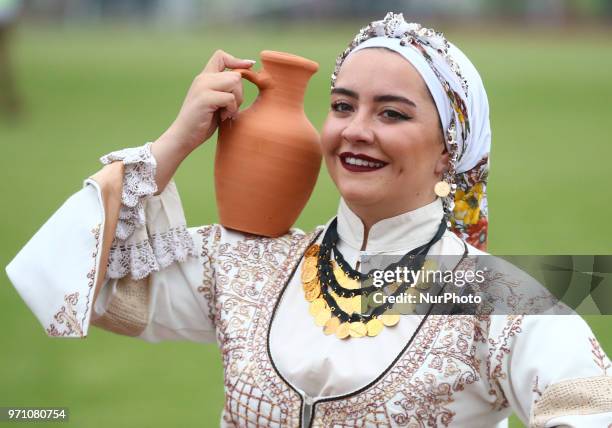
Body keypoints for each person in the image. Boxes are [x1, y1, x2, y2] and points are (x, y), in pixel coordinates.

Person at [6, 13, 611, 428]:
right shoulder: (251, 264)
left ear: (451, 148)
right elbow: (74, 284)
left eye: (392, 114)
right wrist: (173, 143)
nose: (355, 130)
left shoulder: (494, 295)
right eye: (343, 105)